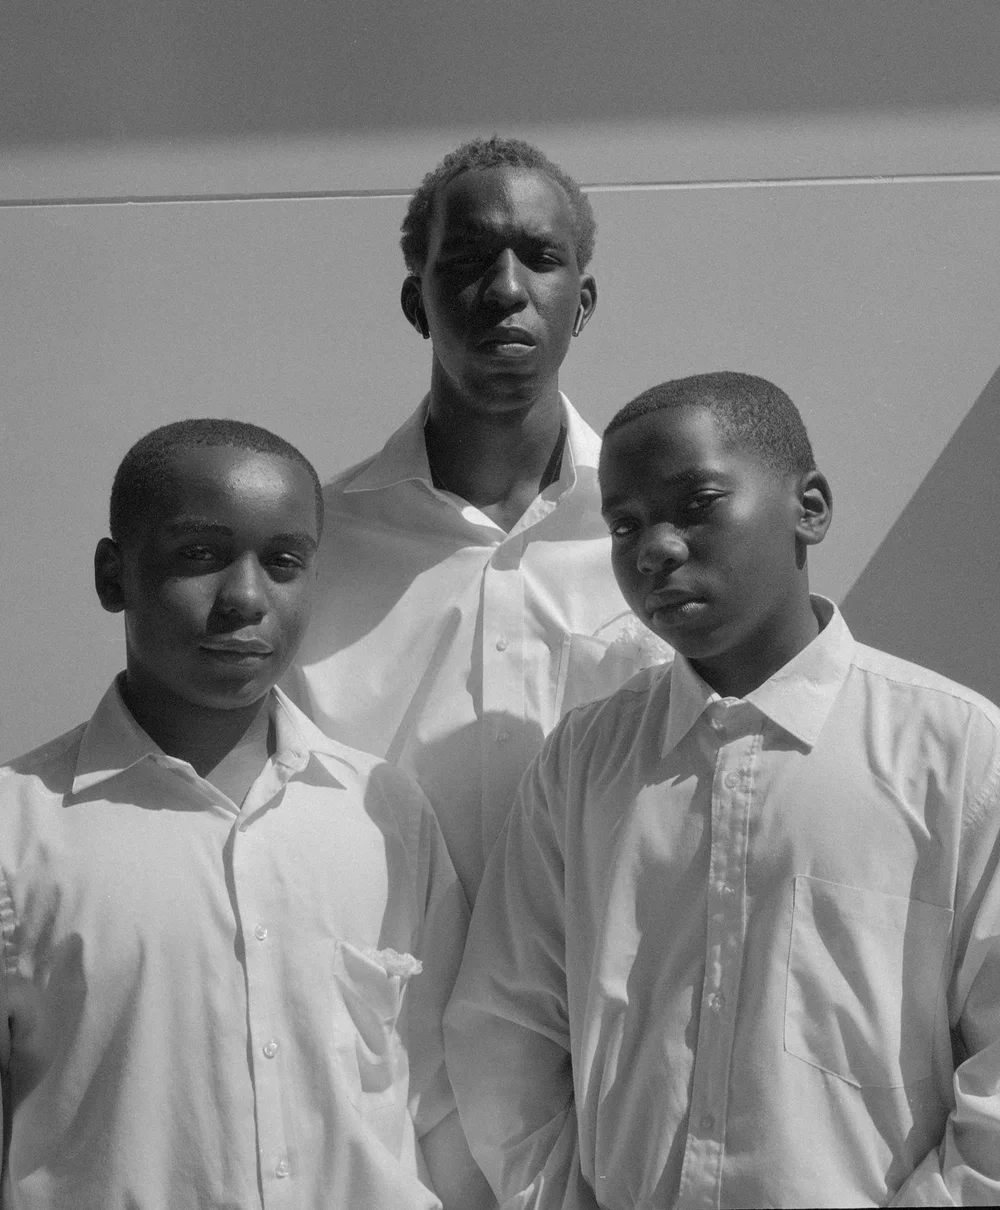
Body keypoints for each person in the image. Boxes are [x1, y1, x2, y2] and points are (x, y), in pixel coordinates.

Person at [444, 372, 1000, 1207]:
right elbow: (504, 1030)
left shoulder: (958, 754)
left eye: (697, 504)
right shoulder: (586, 763)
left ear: (809, 508)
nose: (654, 549)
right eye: (625, 524)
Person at [0, 419, 490, 1210]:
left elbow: (445, 1107)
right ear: (113, 576)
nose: (246, 599)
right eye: (200, 554)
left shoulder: (383, 814)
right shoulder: (18, 833)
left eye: (284, 562)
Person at [288, 136, 670, 902]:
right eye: (467, 260)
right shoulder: (314, 547)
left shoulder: (662, 538)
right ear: (416, 304)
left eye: (541, 257)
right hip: (383, 978)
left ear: (583, 303)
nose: (505, 288)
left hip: (608, 978)